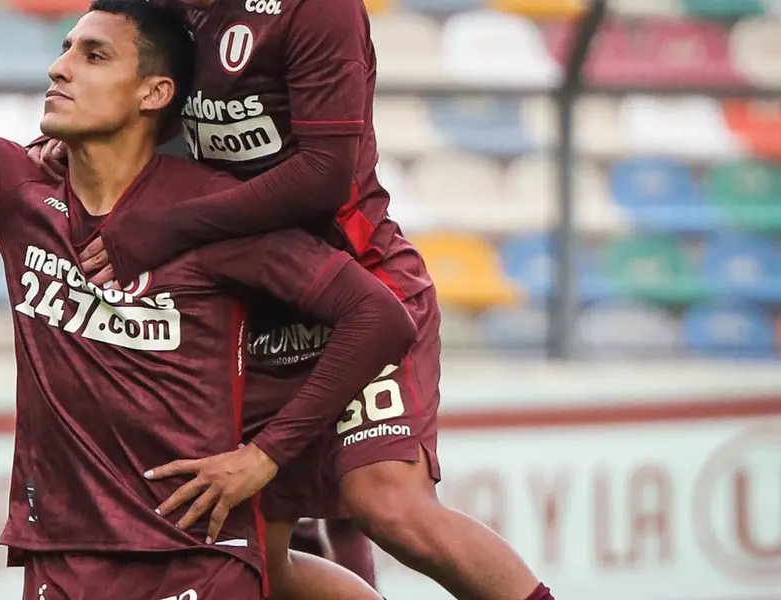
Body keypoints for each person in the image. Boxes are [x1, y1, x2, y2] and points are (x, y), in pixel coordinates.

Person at [0, 0, 417, 597]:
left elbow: (378, 316)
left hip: (194, 556)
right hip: (61, 555)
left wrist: (264, 456)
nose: (60, 69)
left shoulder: (208, 216)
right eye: (64, 51)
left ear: (154, 93)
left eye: (94, 55)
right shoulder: (13, 186)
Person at [28, 0, 558, 599]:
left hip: (355, 290)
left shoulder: (316, 9)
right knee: (251, 560)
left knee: (389, 506)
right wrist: (60, 142)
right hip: (252, 311)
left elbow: (324, 175)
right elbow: (124, 72)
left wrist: (170, 225)